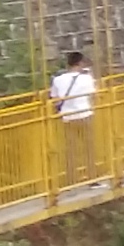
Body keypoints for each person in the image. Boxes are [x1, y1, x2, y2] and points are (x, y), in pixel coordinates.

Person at [49, 50, 98, 185]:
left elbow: (55, 99)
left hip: (67, 117)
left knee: (70, 149)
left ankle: (71, 179)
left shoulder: (58, 80)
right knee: (89, 148)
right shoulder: (87, 78)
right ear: (81, 63)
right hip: (84, 114)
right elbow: (93, 95)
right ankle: (92, 178)